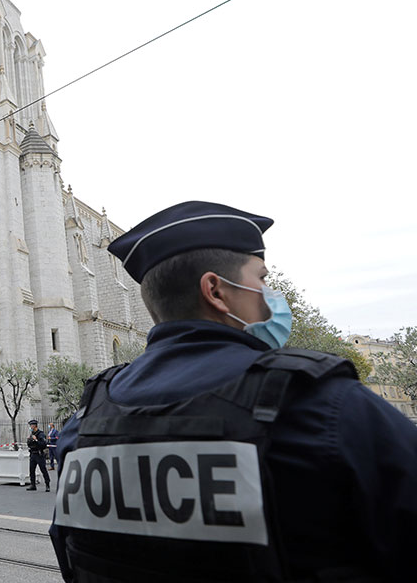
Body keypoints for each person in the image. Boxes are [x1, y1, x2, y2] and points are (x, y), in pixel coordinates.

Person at [49, 201, 417, 581]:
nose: (270, 294)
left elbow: (70, 554)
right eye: (260, 278)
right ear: (216, 291)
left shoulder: (84, 425)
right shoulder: (325, 406)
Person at [26, 419, 51, 492]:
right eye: (30, 425)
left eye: (31, 425)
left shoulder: (40, 434)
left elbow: (43, 444)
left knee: (43, 470)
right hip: (33, 454)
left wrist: (36, 440)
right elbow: (29, 444)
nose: (31, 427)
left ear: (34, 425)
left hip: (39, 454)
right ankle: (33, 485)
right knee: (31, 470)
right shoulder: (32, 434)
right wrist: (29, 440)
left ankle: (47, 484)